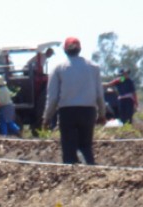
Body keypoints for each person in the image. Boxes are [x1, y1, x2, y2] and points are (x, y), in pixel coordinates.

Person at [42, 37, 106, 165]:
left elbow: (53, 97)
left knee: (69, 149)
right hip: (88, 111)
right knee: (86, 146)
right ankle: (91, 173)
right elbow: (100, 94)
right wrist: (102, 114)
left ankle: (73, 179)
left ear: (65, 51)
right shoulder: (93, 67)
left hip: (67, 112)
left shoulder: (58, 68)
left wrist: (47, 118)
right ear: (80, 49)